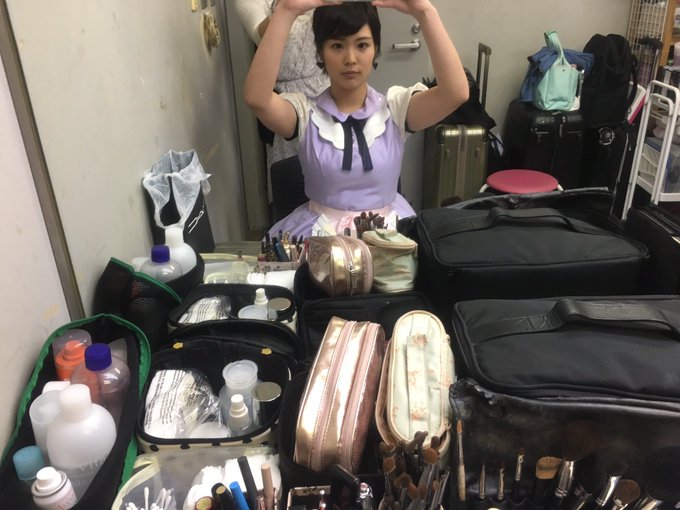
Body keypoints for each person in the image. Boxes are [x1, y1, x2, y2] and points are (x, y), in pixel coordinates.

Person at [244, 0, 469, 239]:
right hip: (319, 237)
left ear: (375, 50)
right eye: (337, 46)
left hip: (389, 236)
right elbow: (257, 99)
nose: (350, 58)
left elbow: (456, 93)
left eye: (362, 45)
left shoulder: (395, 109)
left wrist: (425, 12)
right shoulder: (305, 115)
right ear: (320, 52)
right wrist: (286, 12)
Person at [233, 0, 329, 169]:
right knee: (294, 174)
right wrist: (286, 10)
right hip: (284, 106)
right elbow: (260, 34)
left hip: (330, 90)